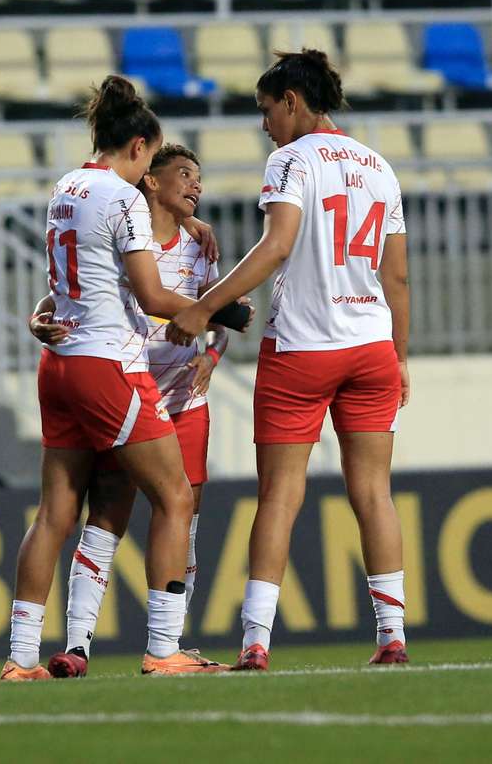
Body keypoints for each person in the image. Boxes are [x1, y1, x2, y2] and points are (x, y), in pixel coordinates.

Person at [166, 49, 411, 669]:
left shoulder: (291, 159)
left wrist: (204, 307)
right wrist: (400, 357)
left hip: (304, 347)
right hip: (372, 346)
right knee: (374, 493)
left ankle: (255, 642)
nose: (264, 123)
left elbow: (277, 246)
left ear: (292, 102)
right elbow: (399, 278)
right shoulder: (379, 165)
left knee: (279, 495)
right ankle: (392, 636)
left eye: (266, 109)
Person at [0, 76, 249, 680]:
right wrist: (219, 309)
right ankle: (165, 649)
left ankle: (19, 659)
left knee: (54, 512)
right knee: (174, 496)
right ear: (140, 147)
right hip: (109, 364)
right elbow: (150, 292)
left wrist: (42, 316)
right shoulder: (123, 196)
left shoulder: (65, 186)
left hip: (57, 365)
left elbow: (73, 278)